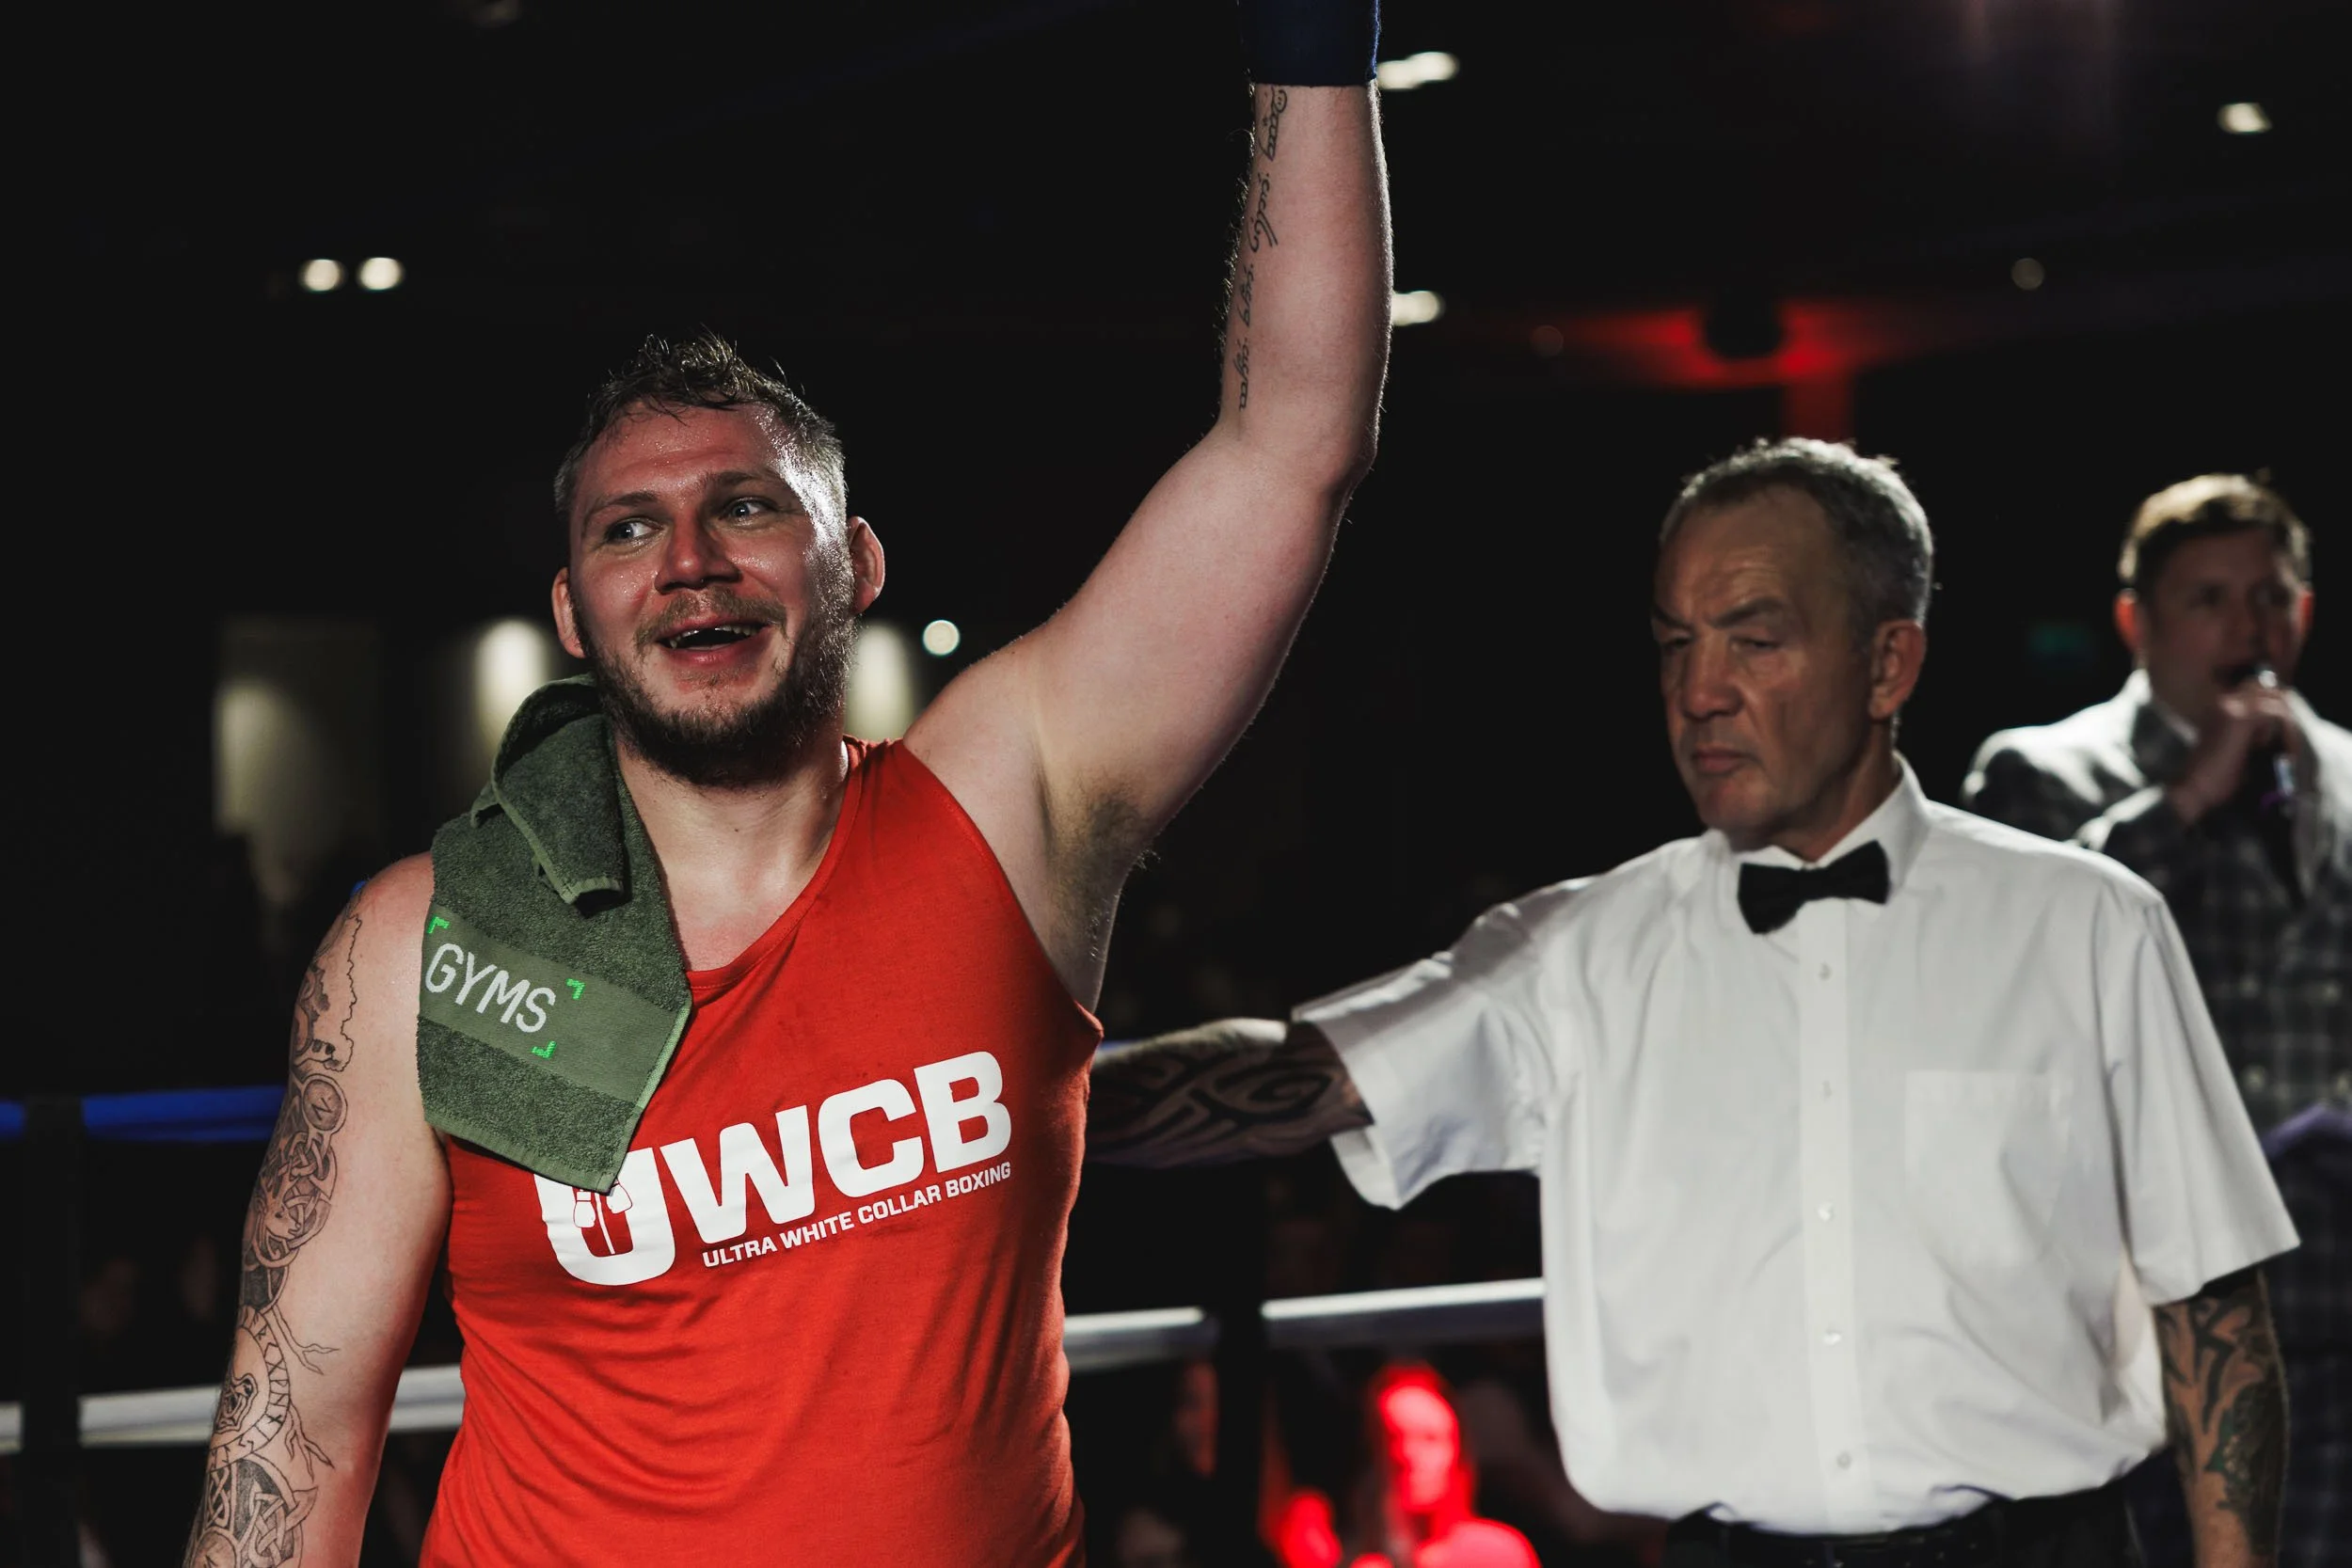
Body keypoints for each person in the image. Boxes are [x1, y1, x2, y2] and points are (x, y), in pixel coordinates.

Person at [182, 2, 1391, 1559]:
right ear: (571, 612)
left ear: (855, 566)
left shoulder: (1007, 800)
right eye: (627, 527)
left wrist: (1315, 37)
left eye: (746, 506)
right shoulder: (428, 942)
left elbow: (1290, 441)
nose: (689, 556)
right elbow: (296, 1413)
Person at [1090, 439, 2298, 1568]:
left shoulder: (2088, 924)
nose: (1700, 691)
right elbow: (1295, 1076)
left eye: (1752, 639)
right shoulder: (1579, 950)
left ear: (1889, 662)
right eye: (1676, 643)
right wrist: (979, 1095)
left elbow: (2214, 1310)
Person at [1963, 473, 2349, 1568]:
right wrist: (2185, 798)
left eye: (2269, 596)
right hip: (2138, 1316)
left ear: (2305, 609)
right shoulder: (2041, 775)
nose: (2247, 627)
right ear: (2136, 619)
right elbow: (2002, 971)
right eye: (2209, 599)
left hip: (2335, 1299)